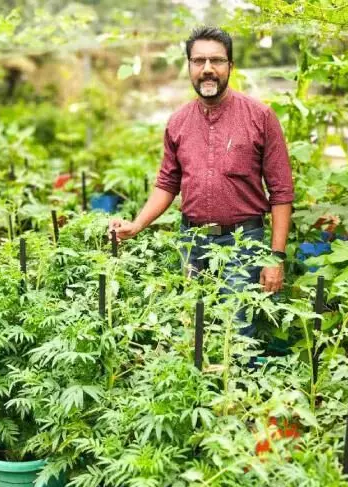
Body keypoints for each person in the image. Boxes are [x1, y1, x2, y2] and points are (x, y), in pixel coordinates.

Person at [109, 26, 294, 336]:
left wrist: (275, 257)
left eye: (216, 60)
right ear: (189, 66)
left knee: (237, 333)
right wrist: (137, 224)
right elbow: (167, 183)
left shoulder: (260, 117)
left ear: (230, 66)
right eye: (199, 61)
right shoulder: (178, 121)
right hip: (192, 242)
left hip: (242, 244)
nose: (207, 69)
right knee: (192, 329)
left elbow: (281, 192)